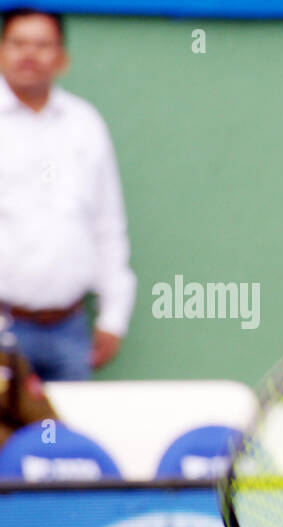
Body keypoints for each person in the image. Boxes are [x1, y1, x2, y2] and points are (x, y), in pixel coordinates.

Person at [0, 8, 136, 381]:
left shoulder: (85, 124)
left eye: (42, 45)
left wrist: (114, 316)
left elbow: (108, 223)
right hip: (4, 329)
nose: (29, 54)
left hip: (69, 330)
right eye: (18, 43)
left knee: (67, 439)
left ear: (62, 58)